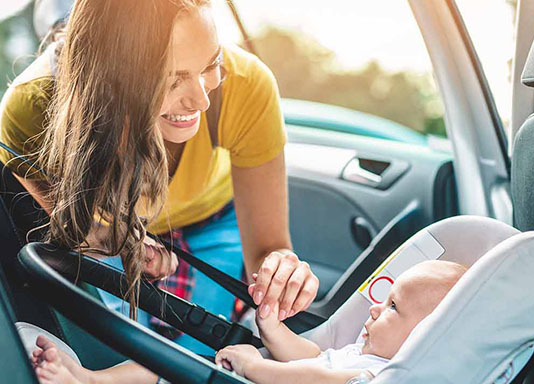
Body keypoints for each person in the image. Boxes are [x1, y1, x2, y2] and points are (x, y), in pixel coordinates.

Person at [0, 0, 318, 354]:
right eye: (171, 79)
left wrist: (281, 270)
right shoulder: (32, 108)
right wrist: (118, 242)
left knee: (199, 354)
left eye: (211, 65)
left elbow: (268, 248)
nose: (201, 100)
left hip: (211, 218)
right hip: (109, 230)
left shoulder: (247, 85)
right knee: (115, 351)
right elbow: (65, 234)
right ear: (109, 76)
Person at [30, 260, 467, 384]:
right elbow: (311, 355)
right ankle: (90, 379)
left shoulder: (384, 374)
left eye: (392, 308)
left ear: (426, 335)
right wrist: (272, 329)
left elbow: (315, 377)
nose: (375, 308)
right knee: (165, 360)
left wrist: (255, 365)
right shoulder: (359, 352)